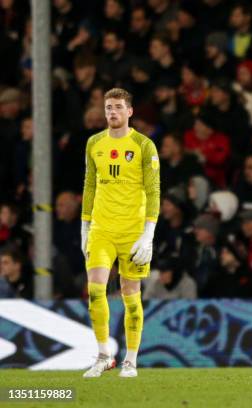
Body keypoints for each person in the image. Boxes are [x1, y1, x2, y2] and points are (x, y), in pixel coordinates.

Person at [81, 88, 160, 378]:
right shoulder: (94, 143)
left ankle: (131, 360)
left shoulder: (143, 145)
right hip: (102, 229)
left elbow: (153, 191)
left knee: (131, 297)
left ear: (130, 111)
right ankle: (103, 355)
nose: (112, 112)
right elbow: (90, 185)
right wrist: (84, 225)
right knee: (95, 288)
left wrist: (148, 233)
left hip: (133, 232)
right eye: (108, 108)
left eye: (117, 107)